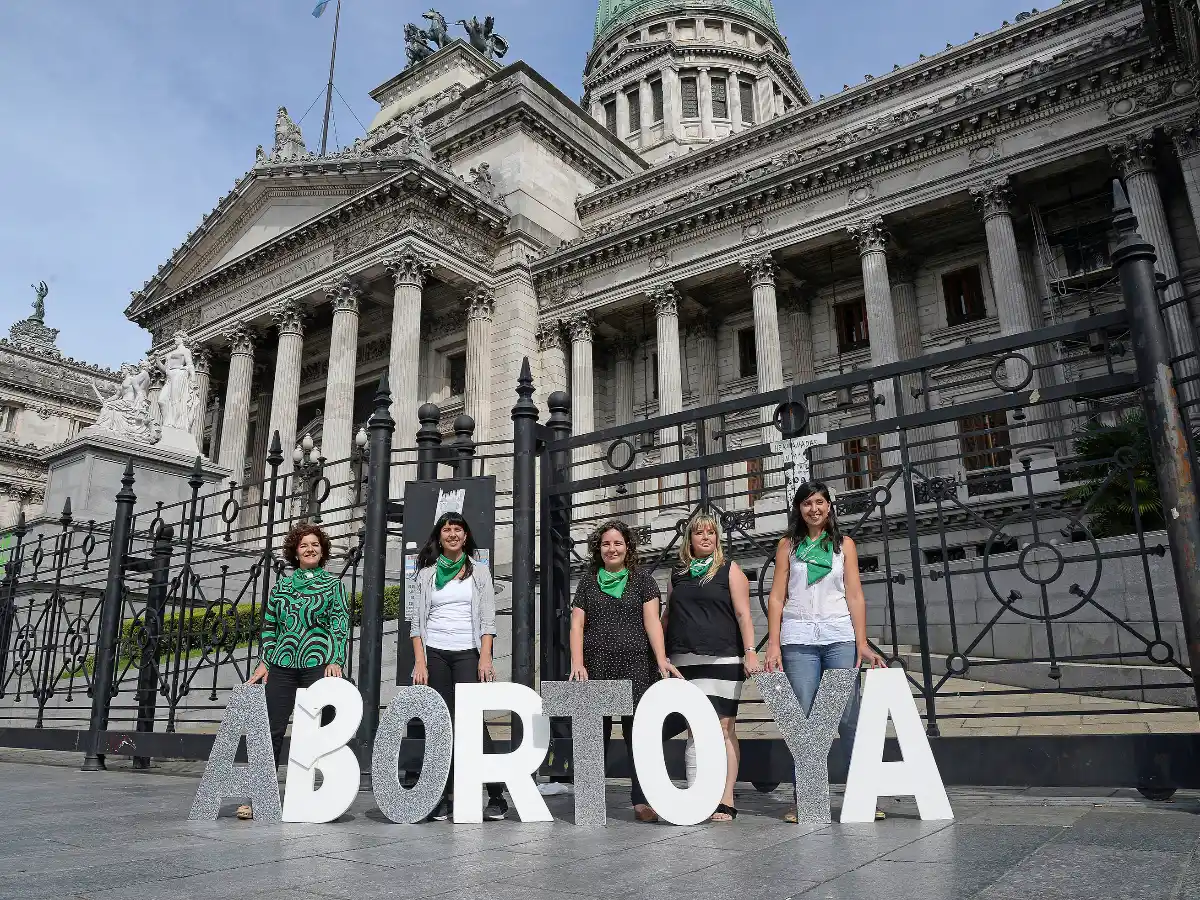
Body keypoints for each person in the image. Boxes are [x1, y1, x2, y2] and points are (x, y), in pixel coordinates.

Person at [765, 481, 886, 823]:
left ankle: (861, 796)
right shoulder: (788, 546)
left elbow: (855, 595)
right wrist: (773, 643)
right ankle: (806, 799)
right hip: (798, 637)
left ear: (829, 507)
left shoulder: (844, 545)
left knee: (849, 717)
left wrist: (862, 642)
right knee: (802, 720)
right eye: (806, 503)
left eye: (819, 502)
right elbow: (776, 597)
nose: (813, 509)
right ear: (799, 509)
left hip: (839, 636)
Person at [569, 520, 680, 823]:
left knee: (638, 736)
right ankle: (590, 799)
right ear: (598, 548)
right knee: (596, 735)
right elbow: (577, 624)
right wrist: (577, 663)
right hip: (597, 667)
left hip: (636, 667)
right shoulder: (589, 581)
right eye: (606, 543)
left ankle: (642, 801)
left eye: (618, 543)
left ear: (628, 547)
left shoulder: (642, 580)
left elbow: (652, 623)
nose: (612, 548)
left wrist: (661, 659)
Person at [241, 523, 349, 820]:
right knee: (272, 729)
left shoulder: (334, 585)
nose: (310, 549)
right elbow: (270, 626)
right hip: (283, 664)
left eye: (315, 544)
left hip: (318, 664)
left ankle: (317, 795)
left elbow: (340, 626)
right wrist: (266, 660)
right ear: (295, 552)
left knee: (317, 732)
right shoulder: (281, 587)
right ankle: (259, 797)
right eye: (304, 545)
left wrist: (336, 659)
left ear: (323, 550)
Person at [410, 512, 508, 822]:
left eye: (458, 529)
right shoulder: (425, 574)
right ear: (439, 537)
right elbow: (416, 623)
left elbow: (488, 619)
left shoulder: (478, 572)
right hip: (436, 653)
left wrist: (486, 656)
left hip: (468, 652)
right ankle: (444, 795)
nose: (452, 534)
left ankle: (496, 794)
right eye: (446, 530)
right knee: (441, 725)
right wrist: (420, 661)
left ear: (465, 536)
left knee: (472, 724)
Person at [665, 512, 760, 822]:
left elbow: (744, 615)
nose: (705, 537)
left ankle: (725, 796)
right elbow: (667, 617)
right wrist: (659, 654)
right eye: (698, 533)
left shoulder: (730, 570)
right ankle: (697, 793)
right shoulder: (677, 573)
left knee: (723, 727)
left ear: (717, 539)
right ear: (689, 539)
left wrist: (750, 652)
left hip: (723, 657)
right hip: (684, 659)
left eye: (710, 533)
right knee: (694, 727)